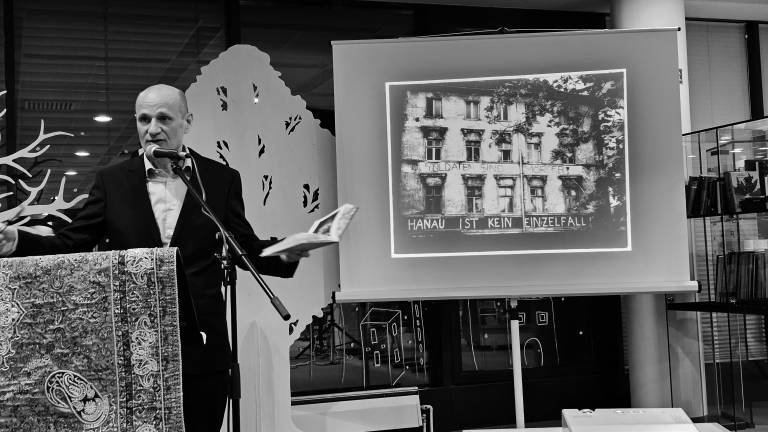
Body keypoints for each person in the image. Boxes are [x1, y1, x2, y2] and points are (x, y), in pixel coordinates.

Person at [0, 83, 306, 431]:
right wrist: (17, 241)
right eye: (144, 119)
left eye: (164, 118)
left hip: (202, 346)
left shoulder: (219, 180)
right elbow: (72, 242)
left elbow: (243, 248)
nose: (152, 128)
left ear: (187, 122)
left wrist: (293, 248)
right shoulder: (113, 181)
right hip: (132, 348)